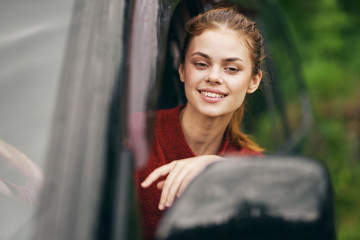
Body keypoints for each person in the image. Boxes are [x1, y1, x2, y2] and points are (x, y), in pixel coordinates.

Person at [135, 4, 265, 240]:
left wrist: (221, 170)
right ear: (182, 70)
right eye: (201, 64)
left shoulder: (252, 168)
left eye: (231, 68)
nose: (213, 77)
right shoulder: (134, 134)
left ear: (253, 81)